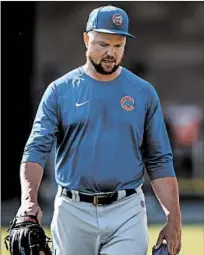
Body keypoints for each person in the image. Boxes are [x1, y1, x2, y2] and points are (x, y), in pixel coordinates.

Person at [16, 5, 182, 255]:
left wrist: (174, 218)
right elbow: (37, 149)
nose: (111, 53)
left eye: (118, 45)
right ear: (86, 39)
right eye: (103, 44)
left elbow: (159, 159)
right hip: (73, 211)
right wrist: (29, 200)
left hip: (126, 210)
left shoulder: (143, 92)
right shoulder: (60, 91)